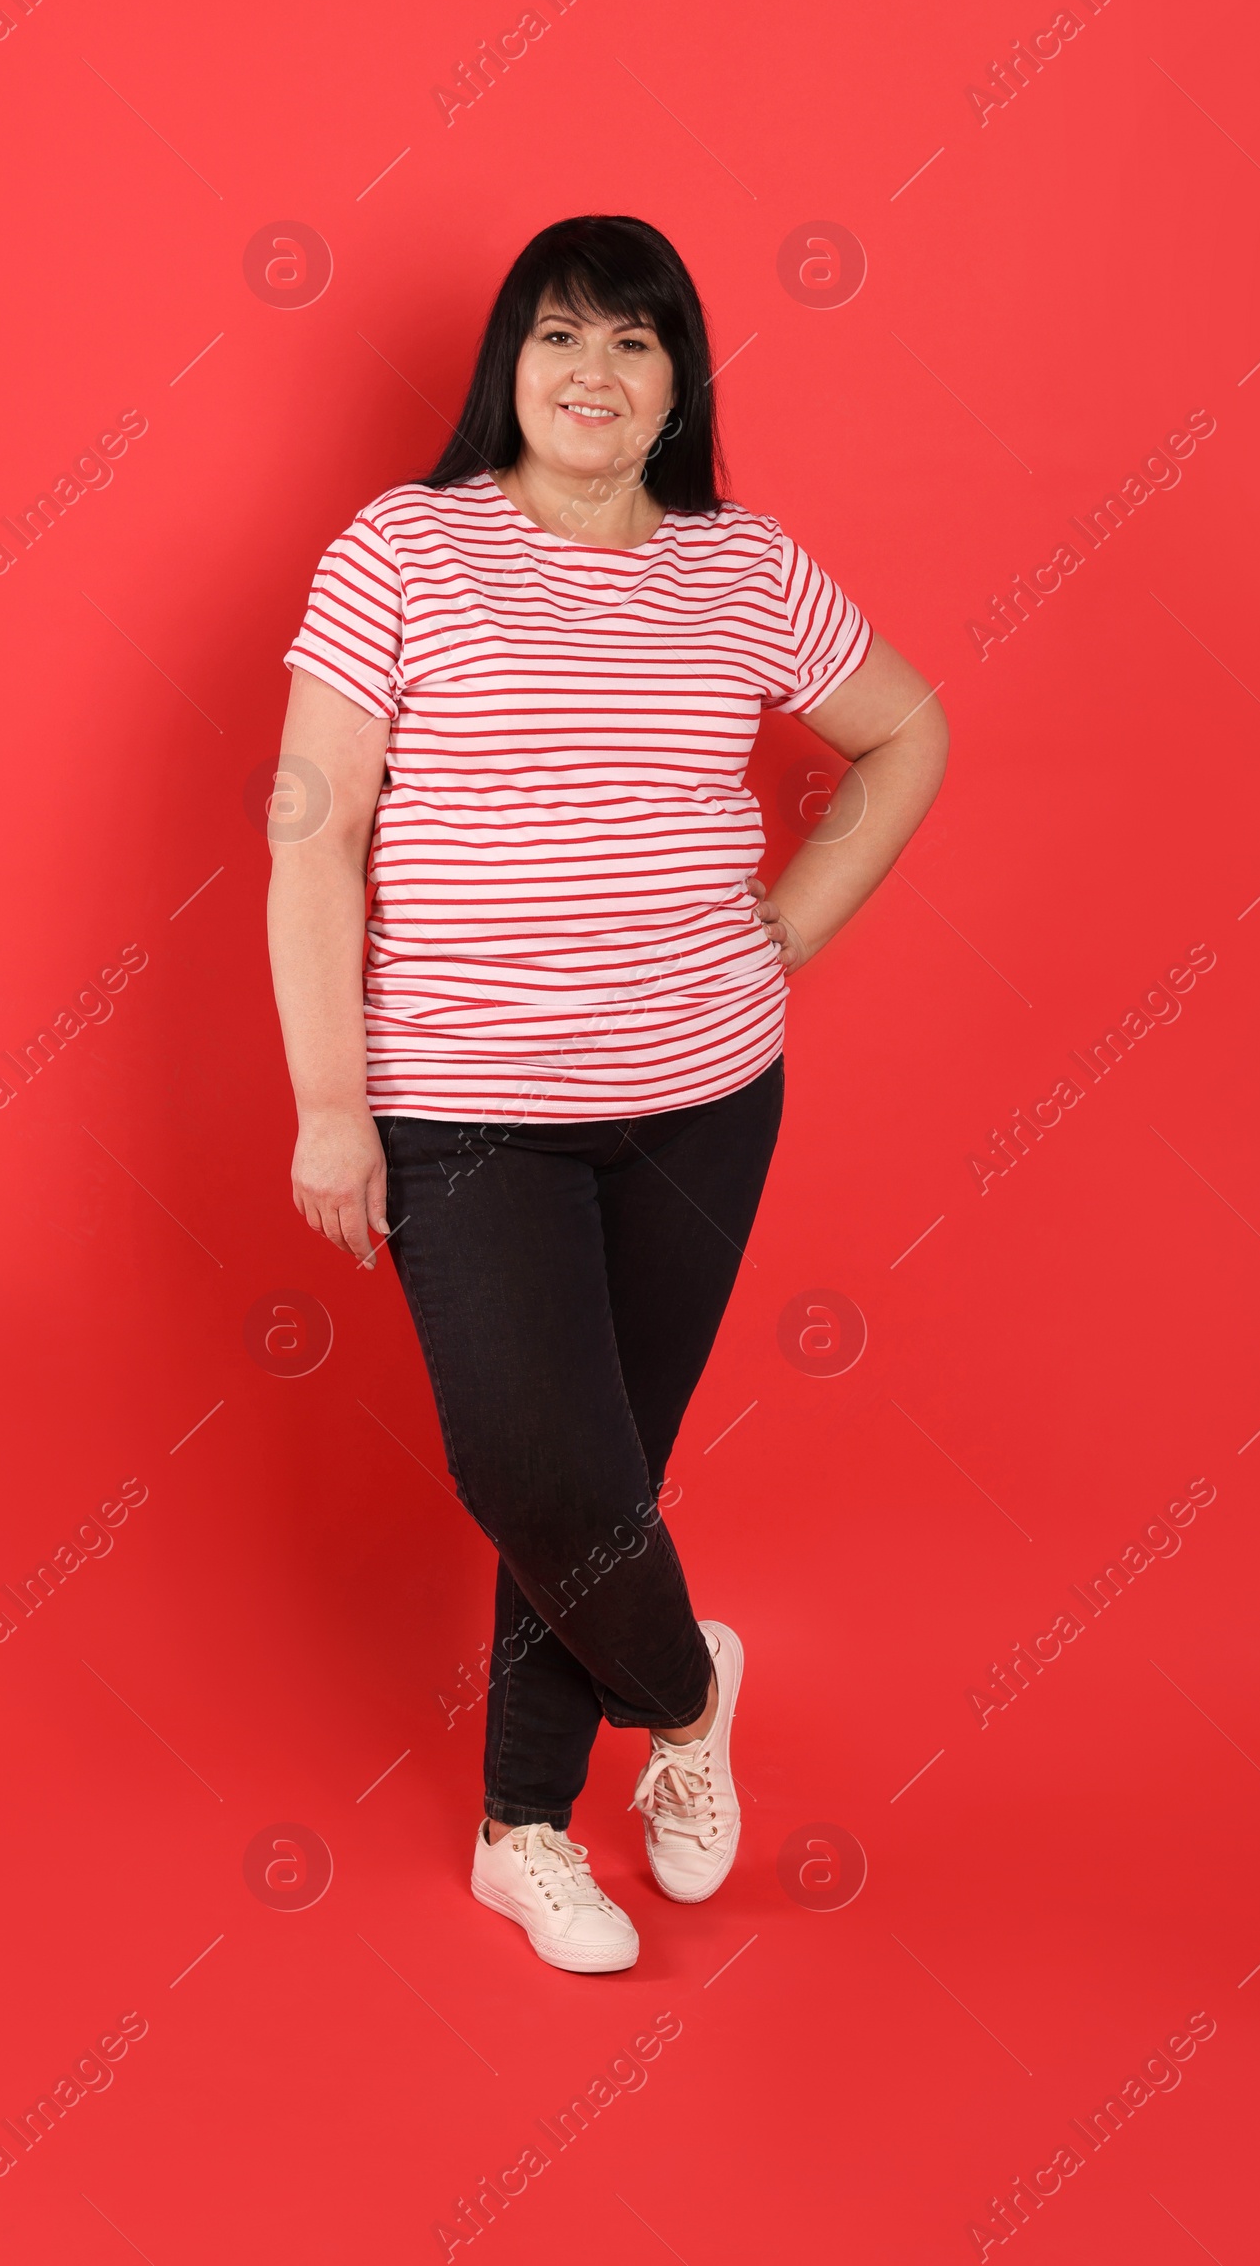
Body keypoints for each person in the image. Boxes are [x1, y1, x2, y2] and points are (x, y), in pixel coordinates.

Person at [268, 215, 946, 1973]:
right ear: (510, 360)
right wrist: (331, 1104)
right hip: (465, 1108)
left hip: (701, 1099)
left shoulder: (743, 566)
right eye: (562, 335)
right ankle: (688, 1684)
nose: (593, 373)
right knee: (542, 1468)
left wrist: (782, 931)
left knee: (605, 1480)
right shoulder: (403, 550)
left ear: (674, 385)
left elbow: (906, 734)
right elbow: (316, 828)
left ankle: (521, 1833)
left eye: (634, 346)